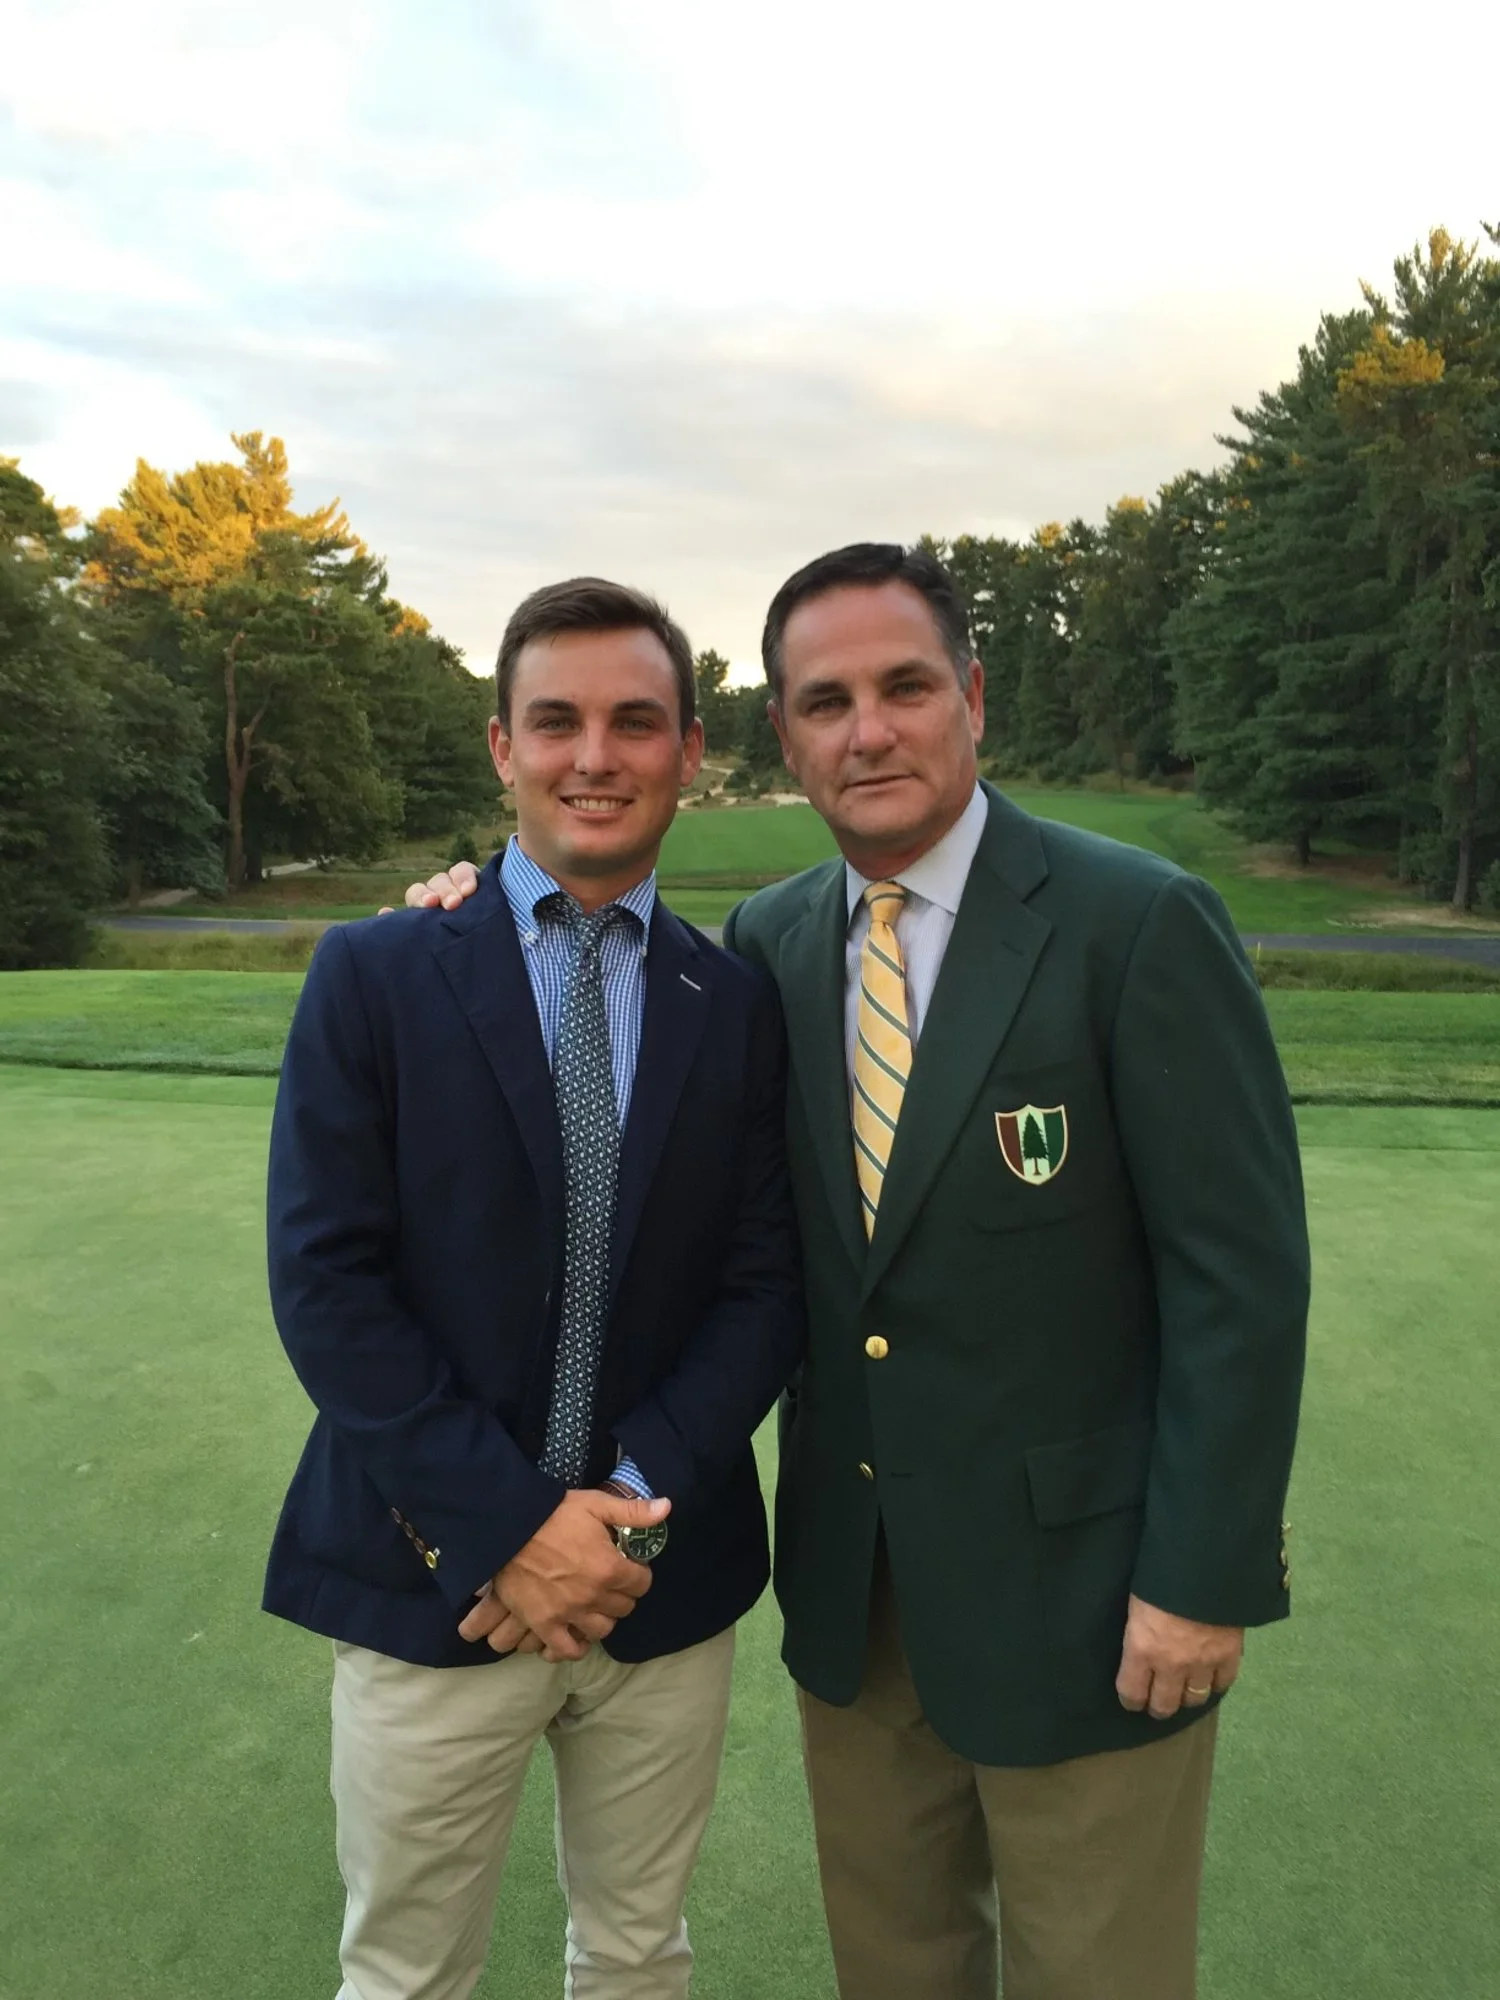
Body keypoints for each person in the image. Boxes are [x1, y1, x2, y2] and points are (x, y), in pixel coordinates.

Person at [408, 543, 1310, 2000]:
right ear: (784, 736)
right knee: (894, 1973)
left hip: (1088, 1604)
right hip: (859, 1601)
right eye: (824, 701)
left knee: (1101, 1975)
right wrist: (459, 914)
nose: (867, 728)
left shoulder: (1132, 923)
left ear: (973, 697)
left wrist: (1202, 1575)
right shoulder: (762, 947)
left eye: (902, 686)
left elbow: (1240, 1280)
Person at [268, 577, 803, 2000]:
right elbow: (327, 1282)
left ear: (691, 750)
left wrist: (610, 1528)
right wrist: (511, 1528)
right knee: (404, 1976)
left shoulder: (735, 1001)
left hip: (657, 1584)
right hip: (431, 1575)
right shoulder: (375, 973)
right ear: (501, 748)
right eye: (555, 721)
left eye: (636, 723)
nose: (595, 756)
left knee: (634, 1958)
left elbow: (764, 1286)